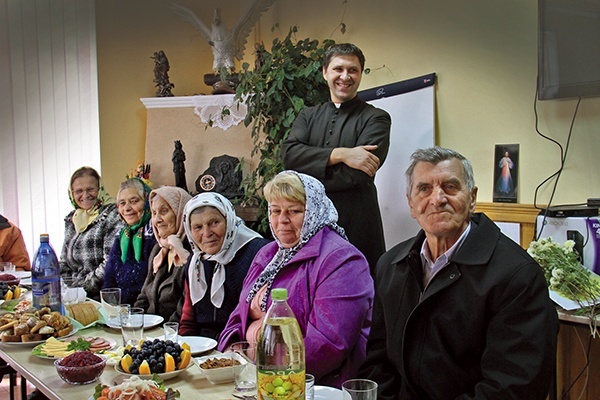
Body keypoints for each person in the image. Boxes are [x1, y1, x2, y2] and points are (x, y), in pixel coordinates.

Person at [359, 147, 558, 399]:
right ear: (411, 204)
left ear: (472, 198)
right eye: (424, 189)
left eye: (450, 187)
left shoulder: (517, 277)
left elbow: (512, 388)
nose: (437, 198)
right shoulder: (390, 266)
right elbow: (378, 362)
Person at [219, 171, 373, 388]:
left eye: (294, 211)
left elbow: (329, 345)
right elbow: (236, 318)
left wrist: (259, 371)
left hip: (309, 386)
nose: (282, 220)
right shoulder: (269, 254)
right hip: (250, 377)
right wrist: (230, 354)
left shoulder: (342, 260)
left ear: (314, 212)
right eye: (275, 210)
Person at [281, 43, 391, 273]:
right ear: (325, 72)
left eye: (353, 70)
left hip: (357, 221)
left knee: (359, 290)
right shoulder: (308, 116)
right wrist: (341, 154)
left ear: (360, 74)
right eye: (338, 69)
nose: (345, 76)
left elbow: (357, 174)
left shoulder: (376, 118)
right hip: (311, 223)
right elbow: (290, 156)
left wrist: (307, 176)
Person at [179, 192, 270, 340]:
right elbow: (188, 320)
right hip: (203, 347)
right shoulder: (195, 263)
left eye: (214, 223)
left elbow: (262, 317)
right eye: (197, 227)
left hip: (242, 346)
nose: (207, 233)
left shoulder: (258, 254)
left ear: (229, 220)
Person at [60, 167, 122, 300]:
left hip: (101, 295)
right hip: (74, 295)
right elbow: (64, 263)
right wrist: (64, 287)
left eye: (91, 189)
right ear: (72, 193)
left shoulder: (112, 214)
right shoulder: (71, 219)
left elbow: (109, 262)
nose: (85, 195)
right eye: (79, 191)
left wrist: (81, 289)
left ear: (100, 189)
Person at [134, 186, 192, 322]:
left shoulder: (190, 253)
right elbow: (143, 296)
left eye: (164, 211)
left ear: (181, 213)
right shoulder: (158, 250)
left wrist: (161, 335)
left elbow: (184, 311)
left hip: (173, 334)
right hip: (151, 332)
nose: (157, 220)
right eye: (154, 213)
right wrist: (133, 323)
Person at [104, 178, 156, 305]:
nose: (127, 208)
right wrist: (110, 307)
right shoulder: (121, 235)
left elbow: (151, 283)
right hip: (120, 310)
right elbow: (109, 278)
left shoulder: (155, 234)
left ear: (147, 202)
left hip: (145, 310)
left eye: (134, 201)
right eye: (122, 203)